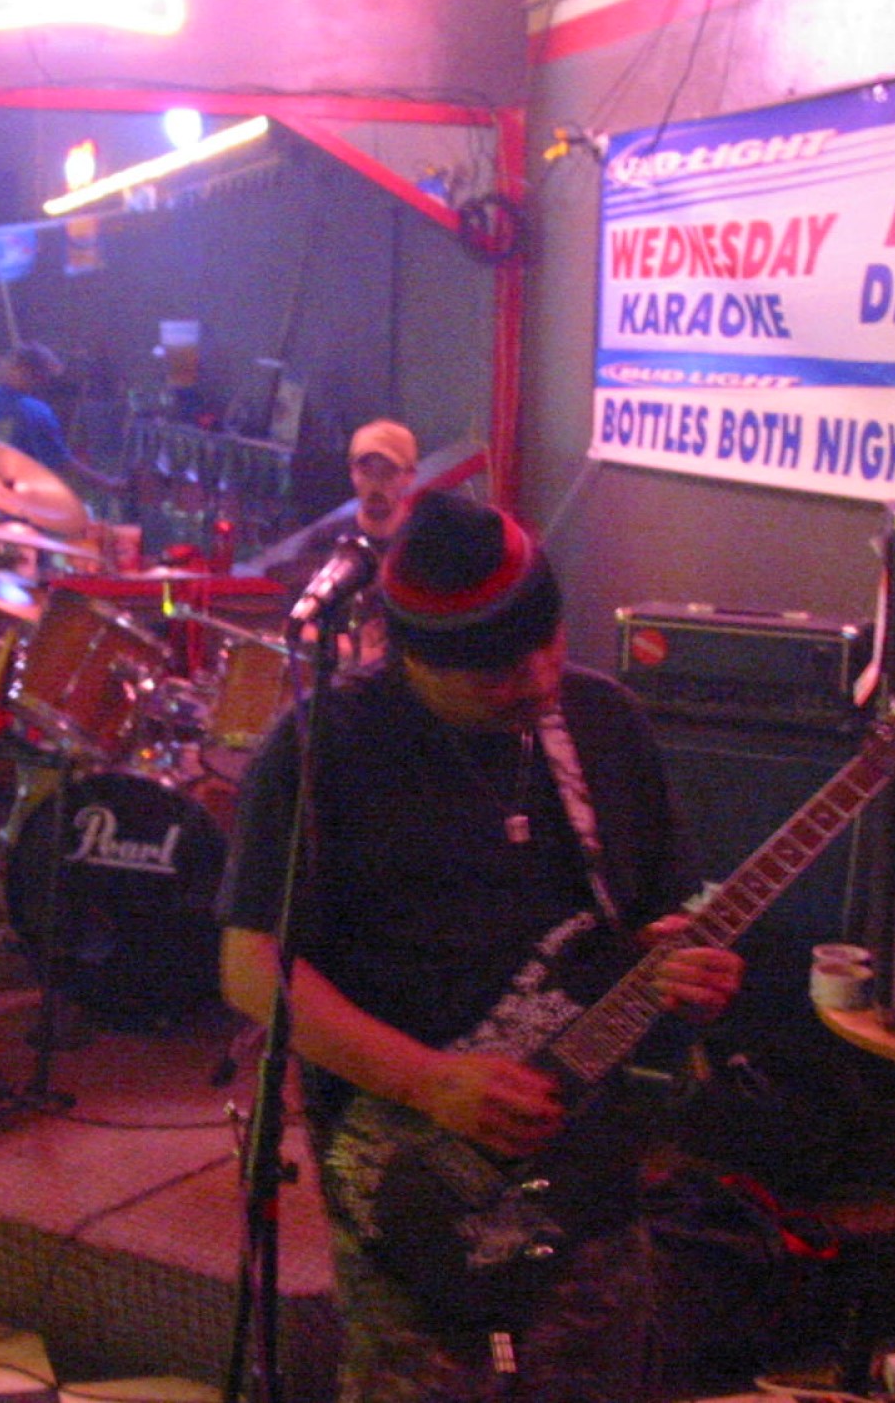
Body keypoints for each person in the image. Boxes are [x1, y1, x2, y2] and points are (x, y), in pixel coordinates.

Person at [218, 489, 745, 1399]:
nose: (535, 681)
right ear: (409, 656)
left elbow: (655, 921)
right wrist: (428, 1080)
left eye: (548, 644)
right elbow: (250, 967)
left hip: (587, 1152)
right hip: (413, 1164)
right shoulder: (324, 747)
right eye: (494, 673)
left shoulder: (604, 723)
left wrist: (683, 966)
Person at [267, 418, 420, 667]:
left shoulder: (423, 545)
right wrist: (349, 649)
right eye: (366, 471)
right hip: (340, 678)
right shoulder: (324, 542)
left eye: (387, 472)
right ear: (352, 472)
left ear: (409, 476)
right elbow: (293, 624)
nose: (376, 483)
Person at [0, 340, 123, 498]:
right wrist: (107, 483)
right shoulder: (34, 412)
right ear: (33, 374)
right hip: (11, 500)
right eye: (45, 378)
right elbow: (60, 462)